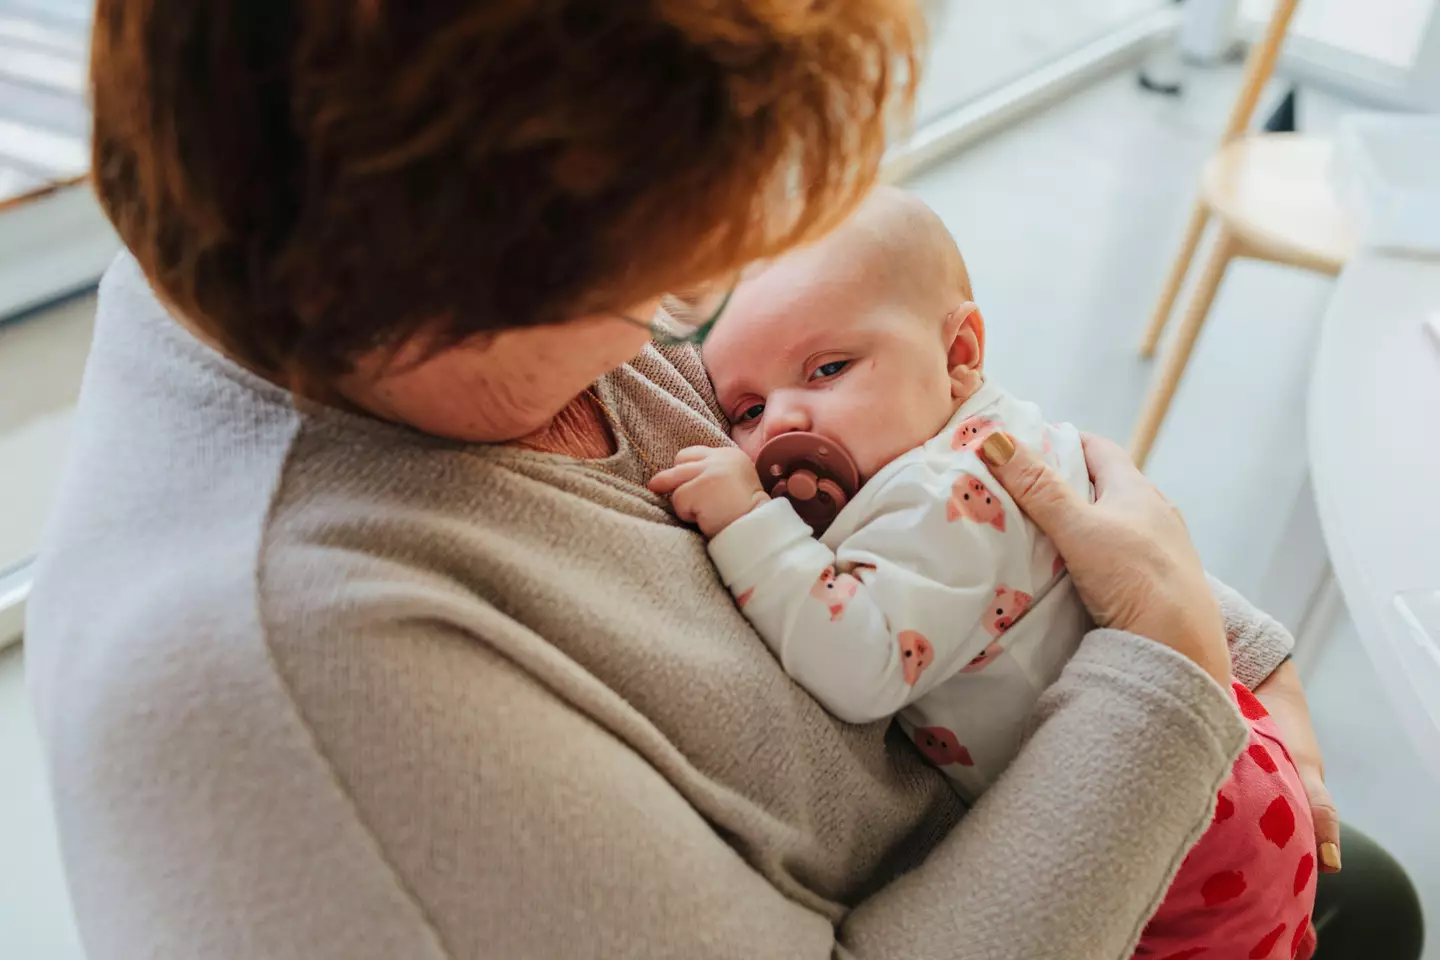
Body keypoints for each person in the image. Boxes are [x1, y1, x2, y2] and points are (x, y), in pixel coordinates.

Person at [23, 1, 1421, 958]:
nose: (689, 339)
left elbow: (944, 480)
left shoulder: (418, 289)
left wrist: (1226, 636)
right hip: (1067, 845)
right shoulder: (323, 715)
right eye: (674, 287)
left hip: (1058, 798)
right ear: (457, 286)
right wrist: (1167, 671)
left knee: (1380, 902)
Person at [653, 188, 1317, 957]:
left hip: (1183, 835)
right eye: (744, 411)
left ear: (960, 354)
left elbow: (862, 664)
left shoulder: (945, 498)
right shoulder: (983, 433)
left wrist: (748, 524)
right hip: (1222, 772)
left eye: (829, 368)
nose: (783, 425)